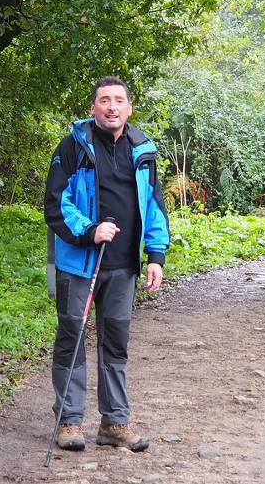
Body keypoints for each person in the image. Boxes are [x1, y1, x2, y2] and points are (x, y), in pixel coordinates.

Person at [43, 76, 169, 453]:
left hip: (123, 266)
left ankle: (114, 423)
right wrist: (89, 230)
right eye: (104, 100)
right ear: (93, 108)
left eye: (118, 100)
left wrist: (156, 255)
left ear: (129, 108)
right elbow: (55, 204)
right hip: (79, 265)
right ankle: (69, 422)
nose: (111, 106)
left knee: (116, 345)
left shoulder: (143, 150)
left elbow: (154, 206)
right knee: (72, 340)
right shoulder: (72, 148)